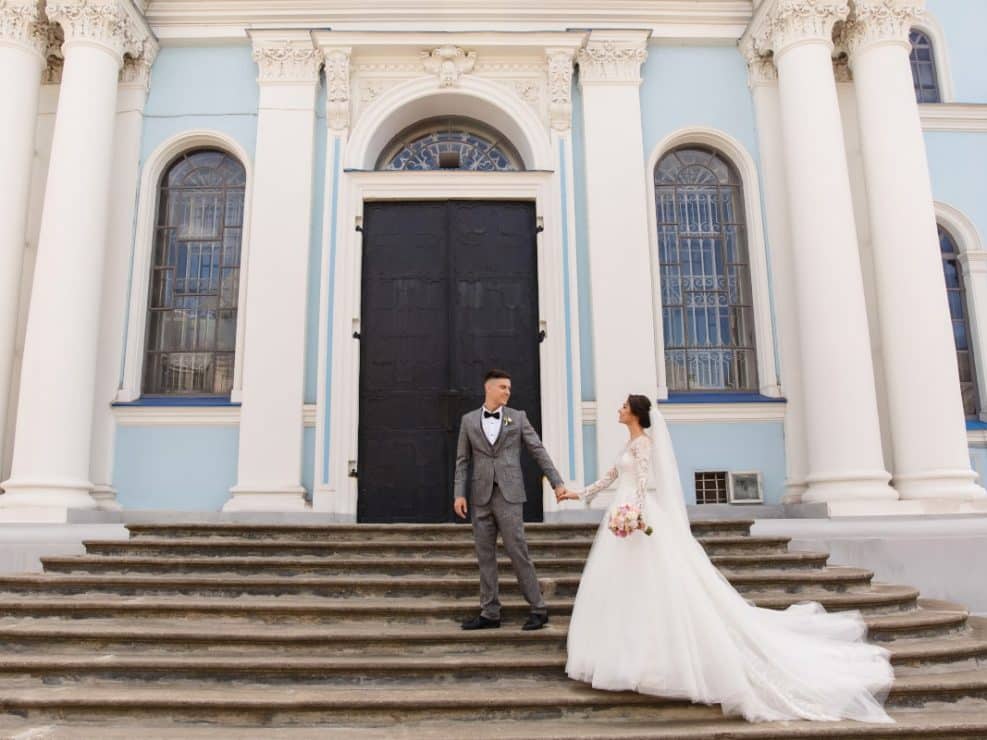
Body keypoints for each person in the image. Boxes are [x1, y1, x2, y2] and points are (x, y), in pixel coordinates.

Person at [556, 395, 894, 723]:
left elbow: (643, 483)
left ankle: (652, 661)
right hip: (623, 515)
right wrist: (578, 493)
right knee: (625, 587)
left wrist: (637, 515)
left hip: (636, 517)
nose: (619, 409)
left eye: (624, 406)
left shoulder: (644, 444)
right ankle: (625, 655)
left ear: (636, 414)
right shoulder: (627, 446)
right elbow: (611, 478)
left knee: (654, 584)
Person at [454, 369, 568, 631]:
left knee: (518, 551)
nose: (508, 391)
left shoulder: (517, 418)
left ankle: (538, 608)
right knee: (485, 555)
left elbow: (537, 450)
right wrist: (459, 493)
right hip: (480, 496)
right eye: (503, 387)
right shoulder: (469, 421)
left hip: (510, 495)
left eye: (509, 387)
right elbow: (462, 461)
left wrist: (557, 482)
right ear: (489, 389)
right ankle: (490, 612)